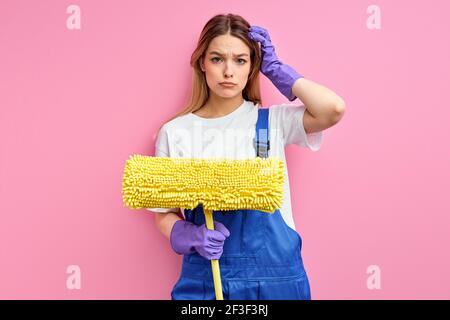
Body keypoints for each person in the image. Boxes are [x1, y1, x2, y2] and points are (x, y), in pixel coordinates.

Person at [147, 13, 346, 300]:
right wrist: (187, 235)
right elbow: (162, 214)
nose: (228, 71)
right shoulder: (175, 132)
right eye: (217, 59)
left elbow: (333, 109)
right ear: (202, 63)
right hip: (205, 279)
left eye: (240, 60)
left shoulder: (273, 122)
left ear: (253, 66)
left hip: (277, 280)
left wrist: (277, 69)